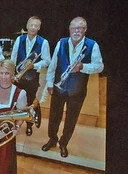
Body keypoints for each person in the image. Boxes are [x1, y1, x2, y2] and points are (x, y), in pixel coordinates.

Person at [42, 17, 104, 158]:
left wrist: (83, 67)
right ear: (69, 29)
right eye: (74, 28)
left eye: (80, 28)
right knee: (54, 116)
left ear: (85, 29)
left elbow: (100, 66)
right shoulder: (61, 43)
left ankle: (63, 143)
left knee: (71, 118)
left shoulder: (92, 45)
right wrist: (50, 84)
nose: (77, 31)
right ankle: (52, 139)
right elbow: (53, 65)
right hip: (59, 88)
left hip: (77, 91)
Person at [11, 16, 51, 136]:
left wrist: (34, 66)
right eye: (31, 25)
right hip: (18, 77)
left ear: (39, 28)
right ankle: (15, 123)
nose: (33, 28)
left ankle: (29, 125)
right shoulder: (19, 39)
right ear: (27, 26)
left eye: (36, 26)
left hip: (32, 78)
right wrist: (12, 73)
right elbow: (13, 56)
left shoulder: (43, 42)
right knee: (16, 101)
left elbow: (47, 61)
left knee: (29, 103)